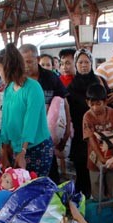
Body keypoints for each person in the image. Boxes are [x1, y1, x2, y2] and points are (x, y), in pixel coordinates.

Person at [0, 43, 54, 176]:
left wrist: (23, 152)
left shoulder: (33, 88)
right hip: (17, 148)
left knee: (35, 189)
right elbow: (5, 121)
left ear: (7, 68)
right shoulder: (9, 89)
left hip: (36, 148)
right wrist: (4, 150)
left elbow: (31, 122)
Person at [20, 43, 71, 182]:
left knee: (51, 178)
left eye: (29, 61)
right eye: (22, 62)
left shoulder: (51, 77)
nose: (26, 65)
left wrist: (67, 132)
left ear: (37, 59)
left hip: (46, 140)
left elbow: (64, 103)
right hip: (24, 141)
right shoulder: (17, 81)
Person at [67, 48, 108, 197]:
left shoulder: (99, 81)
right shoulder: (71, 87)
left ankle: (99, 202)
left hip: (99, 133)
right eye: (80, 62)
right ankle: (82, 203)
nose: (84, 65)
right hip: (80, 136)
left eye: (87, 62)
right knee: (82, 169)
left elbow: (108, 100)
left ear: (91, 63)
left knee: (99, 170)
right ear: (76, 65)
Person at [82, 83, 113, 199]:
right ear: (87, 102)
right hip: (95, 159)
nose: (95, 108)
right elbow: (91, 139)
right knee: (97, 189)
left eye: (98, 104)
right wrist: (101, 158)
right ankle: (99, 215)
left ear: (105, 102)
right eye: (91, 104)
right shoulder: (88, 116)